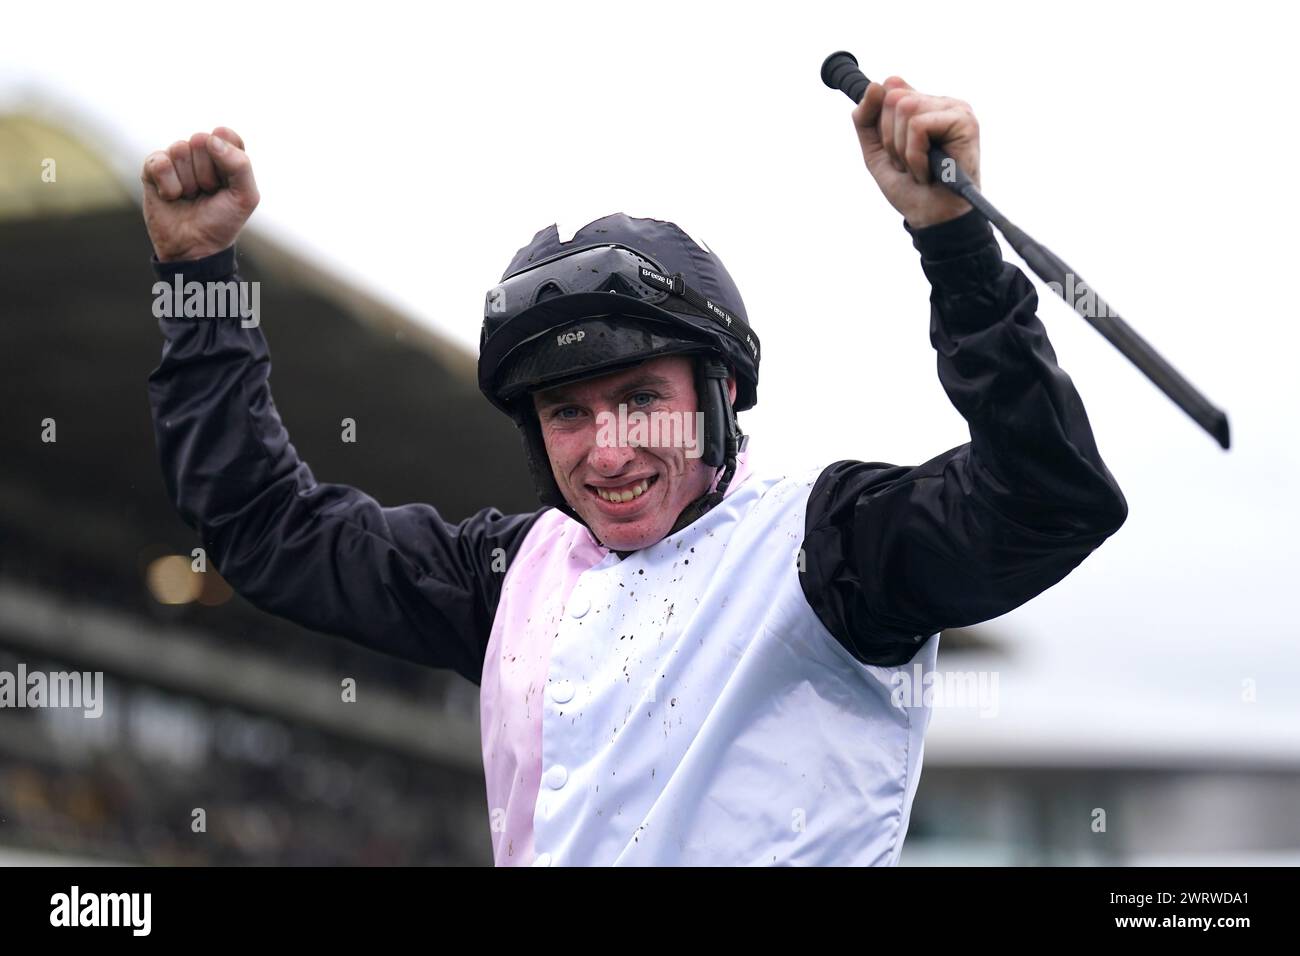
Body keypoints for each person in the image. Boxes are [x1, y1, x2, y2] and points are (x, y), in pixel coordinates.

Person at [142, 77, 1128, 866]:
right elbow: (264, 527)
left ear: (721, 390)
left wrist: (953, 243)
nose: (606, 450)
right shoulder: (507, 574)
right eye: (566, 412)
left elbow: (1048, 500)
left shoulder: (834, 545)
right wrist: (196, 275)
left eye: (639, 398)